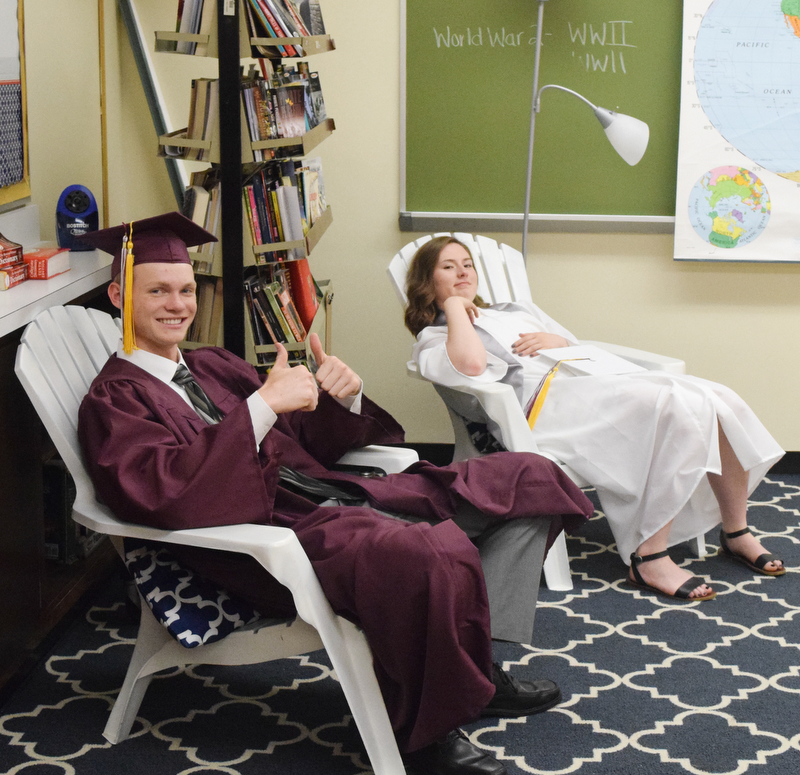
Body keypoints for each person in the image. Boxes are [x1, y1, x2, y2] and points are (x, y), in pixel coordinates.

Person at [77, 213, 594, 775]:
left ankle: (471, 665)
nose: (177, 304)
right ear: (118, 295)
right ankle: (429, 733)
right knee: (425, 552)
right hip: (272, 536)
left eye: (184, 290)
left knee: (532, 479)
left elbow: (303, 443)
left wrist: (338, 399)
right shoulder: (115, 401)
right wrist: (261, 407)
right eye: (157, 291)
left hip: (334, 493)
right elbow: (166, 492)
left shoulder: (211, 364)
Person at [404, 235, 787, 603]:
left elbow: (576, 346)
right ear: (427, 280)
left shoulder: (517, 311)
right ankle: (649, 556)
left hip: (590, 381)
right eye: (449, 267)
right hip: (549, 408)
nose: (463, 273)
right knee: (677, 405)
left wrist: (559, 343)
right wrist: (455, 308)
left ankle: (736, 530)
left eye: (468, 264)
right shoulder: (434, 338)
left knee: (721, 398)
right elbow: (470, 366)